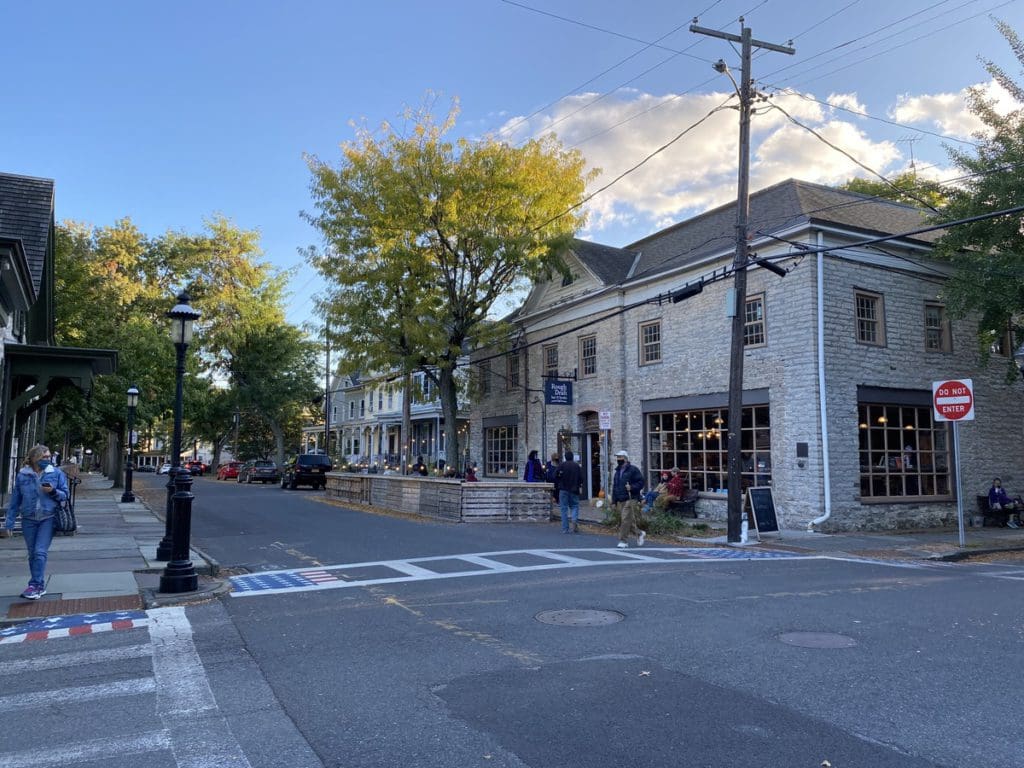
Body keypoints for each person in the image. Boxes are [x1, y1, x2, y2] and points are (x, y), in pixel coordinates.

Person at [6, 444, 69, 599]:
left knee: (40, 552)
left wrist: (53, 491)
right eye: (44, 457)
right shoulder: (23, 475)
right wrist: (9, 522)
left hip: (48, 518)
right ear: (34, 458)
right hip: (28, 518)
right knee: (33, 553)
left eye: (49, 457)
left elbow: (65, 495)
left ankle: (35, 585)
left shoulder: (55, 473)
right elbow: (15, 501)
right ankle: (37, 585)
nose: (48, 459)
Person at [612, 450, 645, 548]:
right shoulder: (617, 472)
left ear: (625, 459)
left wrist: (632, 487)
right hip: (621, 498)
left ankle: (623, 540)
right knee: (628, 520)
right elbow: (615, 487)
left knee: (625, 519)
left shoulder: (633, 470)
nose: (618, 459)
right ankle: (639, 533)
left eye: (620, 457)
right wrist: (614, 501)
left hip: (631, 497)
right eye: (617, 458)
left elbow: (641, 482)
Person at [556, 450, 584, 533]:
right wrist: (579, 485)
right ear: (572, 457)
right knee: (575, 506)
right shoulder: (576, 466)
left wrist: (560, 479)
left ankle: (565, 528)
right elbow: (581, 478)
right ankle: (574, 520)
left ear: (565, 457)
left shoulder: (562, 465)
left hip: (563, 489)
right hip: (574, 489)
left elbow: (555, 475)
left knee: (564, 509)